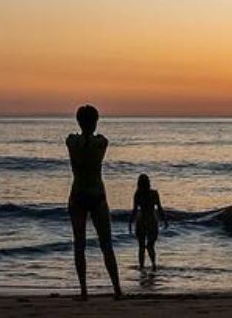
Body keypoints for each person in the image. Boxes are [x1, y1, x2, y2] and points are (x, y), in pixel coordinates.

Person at [66, 104, 122, 299]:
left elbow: (74, 139)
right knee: (106, 244)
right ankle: (117, 290)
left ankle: (84, 291)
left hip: (78, 195)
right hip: (96, 194)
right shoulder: (101, 143)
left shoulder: (71, 142)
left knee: (79, 244)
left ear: (79, 122)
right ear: (95, 121)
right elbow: (98, 140)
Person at [128, 173, 168, 269]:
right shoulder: (154, 193)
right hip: (151, 221)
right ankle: (153, 264)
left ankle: (142, 266)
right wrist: (164, 220)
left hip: (141, 221)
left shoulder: (138, 194)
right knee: (151, 245)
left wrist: (130, 223)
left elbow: (134, 210)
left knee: (141, 247)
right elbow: (159, 208)